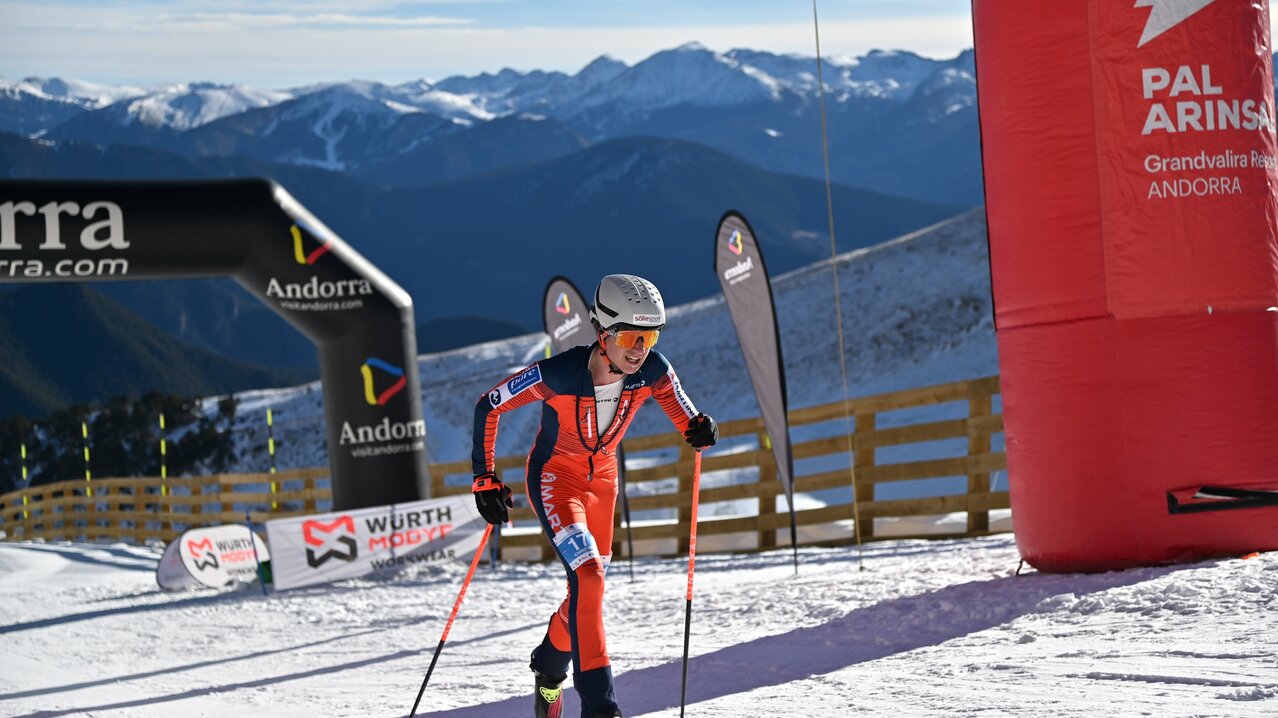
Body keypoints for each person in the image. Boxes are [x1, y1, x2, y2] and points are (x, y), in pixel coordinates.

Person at [471, 274, 718, 718]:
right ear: (602, 333)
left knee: (588, 592)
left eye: (649, 335)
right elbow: (489, 404)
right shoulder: (559, 374)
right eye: (628, 335)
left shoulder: (652, 370)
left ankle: (548, 668)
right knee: (588, 577)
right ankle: (601, 707)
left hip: (603, 483)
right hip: (556, 479)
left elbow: (683, 409)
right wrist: (484, 478)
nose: (639, 347)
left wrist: (698, 426)